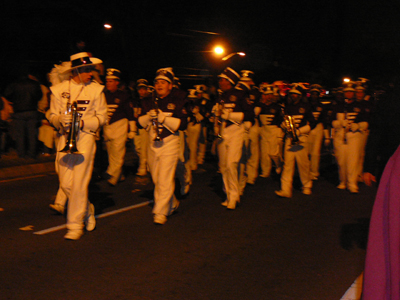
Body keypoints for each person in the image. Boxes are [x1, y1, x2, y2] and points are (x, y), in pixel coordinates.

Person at [48, 52, 107, 240]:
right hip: (64, 138)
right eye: (87, 70)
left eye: (91, 69)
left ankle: (75, 225)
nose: (91, 73)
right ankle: (87, 209)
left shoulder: (96, 90)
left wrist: (83, 123)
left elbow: (102, 118)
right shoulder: (58, 89)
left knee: (80, 183)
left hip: (86, 138)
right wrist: (59, 119)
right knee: (65, 183)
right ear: (77, 71)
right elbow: (51, 115)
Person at [138, 68, 188, 224]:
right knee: (156, 178)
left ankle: (160, 212)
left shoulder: (178, 100)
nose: (159, 85)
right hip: (153, 142)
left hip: (170, 142)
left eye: (163, 82)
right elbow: (141, 123)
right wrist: (148, 116)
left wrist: (163, 119)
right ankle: (172, 203)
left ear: (170, 85)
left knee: (165, 178)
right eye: (157, 82)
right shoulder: (149, 100)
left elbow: (183, 124)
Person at [215, 67, 251, 209]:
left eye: (222, 79)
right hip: (223, 132)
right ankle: (228, 194)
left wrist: (230, 116)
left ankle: (234, 196)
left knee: (232, 164)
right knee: (224, 166)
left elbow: (249, 114)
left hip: (236, 131)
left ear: (229, 81)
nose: (220, 82)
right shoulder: (220, 96)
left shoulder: (240, 94)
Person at [275, 83, 315, 198]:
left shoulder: (306, 107)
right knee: (287, 165)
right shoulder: (287, 107)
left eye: (295, 94)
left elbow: (312, 122)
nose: (293, 96)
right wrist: (283, 126)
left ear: (300, 95)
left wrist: (300, 131)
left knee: (303, 164)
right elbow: (283, 121)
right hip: (289, 138)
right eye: (292, 94)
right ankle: (285, 189)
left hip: (301, 138)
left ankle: (307, 185)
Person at [331, 81, 369, 193]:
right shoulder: (337, 106)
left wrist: (358, 125)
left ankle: (352, 183)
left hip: (354, 136)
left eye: (350, 92)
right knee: (341, 161)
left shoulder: (360, 105)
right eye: (346, 92)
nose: (348, 94)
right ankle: (343, 181)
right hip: (340, 137)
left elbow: (367, 122)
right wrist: (339, 123)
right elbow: (331, 122)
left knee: (353, 161)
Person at [102, 68, 136, 186]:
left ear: (117, 82)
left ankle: (112, 174)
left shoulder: (124, 96)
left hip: (120, 126)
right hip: (108, 128)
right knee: (111, 153)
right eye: (107, 81)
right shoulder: (103, 95)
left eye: (111, 81)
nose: (108, 83)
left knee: (118, 152)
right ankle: (119, 174)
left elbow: (130, 113)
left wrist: (132, 129)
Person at [3, 71, 43, 158]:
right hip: (32, 110)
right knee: (32, 134)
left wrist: (15, 100)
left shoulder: (14, 84)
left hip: (18, 111)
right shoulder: (34, 84)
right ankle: (32, 154)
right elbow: (40, 96)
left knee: (20, 135)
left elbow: (6, 94)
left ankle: (21, 154)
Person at [258, 83, 284, 177]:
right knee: (264, 153)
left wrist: (280, 134)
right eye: (266, 94)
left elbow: (281, 121)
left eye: (270, 94)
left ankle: (278, 164)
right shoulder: (260, 106)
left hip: (274, 130)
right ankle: (265, 171)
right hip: (264, 130)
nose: (268, 97)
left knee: (273, 153)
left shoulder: (277, 107)